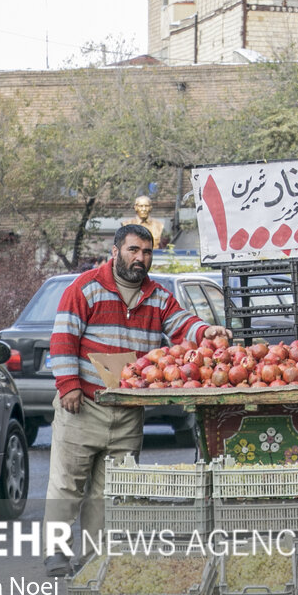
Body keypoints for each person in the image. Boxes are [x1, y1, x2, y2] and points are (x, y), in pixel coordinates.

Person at [42, 224, 229, 577]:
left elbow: (181, 325)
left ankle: (95, 557)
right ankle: (56, 554)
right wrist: (68, 386)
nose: (139, 258)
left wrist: (206, 332)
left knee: (111, 491)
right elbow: (63, 338)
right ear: (115, 251)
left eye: (146, 252)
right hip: (83, 405)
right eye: (133, 250)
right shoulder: (85, 288)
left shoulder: (157, 296)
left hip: (128, 410)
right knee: (67, 483)